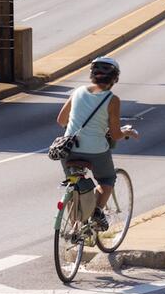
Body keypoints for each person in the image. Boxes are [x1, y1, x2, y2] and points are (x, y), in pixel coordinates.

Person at [57, 56, 138, 231]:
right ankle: (97, 212)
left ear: (92, 75)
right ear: (115, 79)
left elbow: (61, 120)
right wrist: (127, 132)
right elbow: (115, 134)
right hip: (95, 150)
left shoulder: (77, 92)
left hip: (68, 149)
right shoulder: (112, 100)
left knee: (74, 185)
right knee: (107, 179)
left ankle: (74, 231)